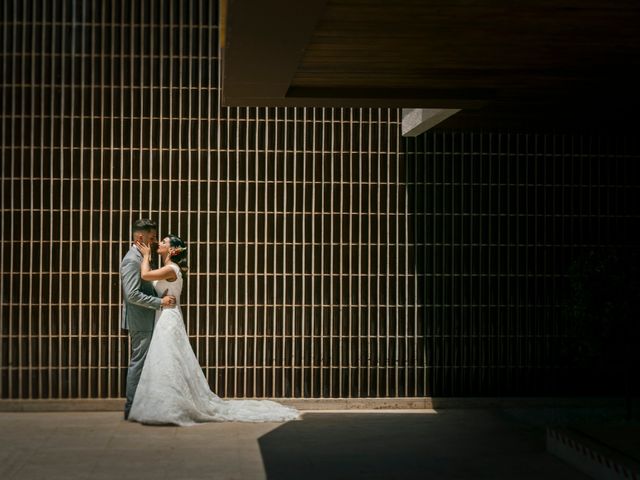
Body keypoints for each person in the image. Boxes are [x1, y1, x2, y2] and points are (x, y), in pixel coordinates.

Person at [128, 233, 300, 425]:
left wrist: (145, 256)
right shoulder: (168, 268)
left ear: (172, 250)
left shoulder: (171, 268)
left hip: (168, 318)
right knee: (166, 358)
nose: (159, 243)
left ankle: (170, 406)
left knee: (168, 357)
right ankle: (163, 404)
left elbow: (145, 275)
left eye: (164, 242)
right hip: (164, 315)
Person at [120, 219, 176, 420]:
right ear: (140, 237)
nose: (153, 242)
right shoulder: (131, 260)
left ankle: (140, 406)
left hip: (147, 319)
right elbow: (132, 295)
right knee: (139, 363)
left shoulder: (142, 257)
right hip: (140, 320)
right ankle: (131, 407)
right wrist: (160, 302)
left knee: (143, 363)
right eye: (152, 238)